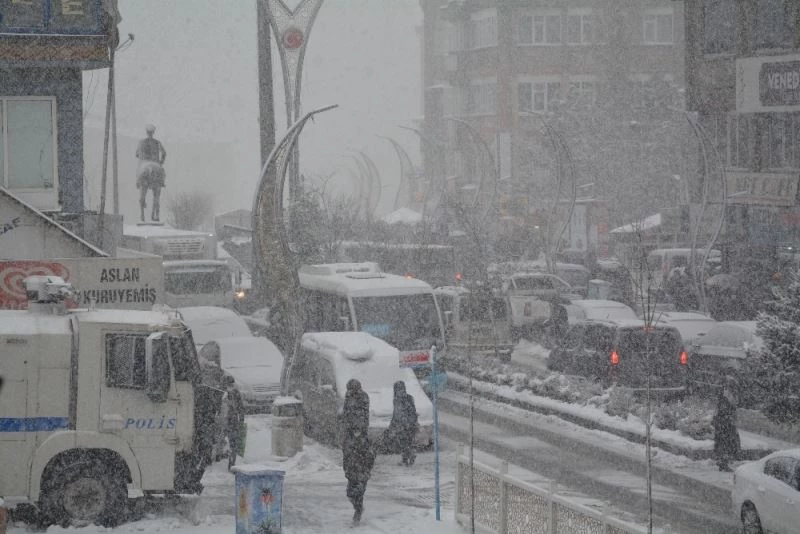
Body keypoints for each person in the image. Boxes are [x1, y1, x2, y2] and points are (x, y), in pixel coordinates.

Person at [340, 379, 375, 526]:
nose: (351, 393)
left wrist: (366, 469)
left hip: (361, 470)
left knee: (358, 491)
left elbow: (361, 416)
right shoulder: (349, 399)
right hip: (352, 469)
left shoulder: (362, 398)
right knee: (350, 492)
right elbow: (345, 456)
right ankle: (358, 508)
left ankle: (358, 512)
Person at [135, 124, 167, 222]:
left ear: (146, 132)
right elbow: (164, 153)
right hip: (156, 165)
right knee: (156, 195)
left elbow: (136, 154)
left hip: (144, 165)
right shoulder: (157, 143)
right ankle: (155, 215)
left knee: (141, 184)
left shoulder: (141, 142)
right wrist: (160, 162)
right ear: (153, 132)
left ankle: (142, 215)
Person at [385, 380, 419, 467]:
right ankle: (408, 457)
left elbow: (410, 412)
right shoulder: (399, 399)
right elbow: (396, 414)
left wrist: (408, 423)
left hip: (406, 425)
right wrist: (393, 424)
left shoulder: (404, 399)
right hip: (405, 425)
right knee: (405, 442)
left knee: (405, 442)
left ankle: (409, 457)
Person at [713, 375, 741, 471]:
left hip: (724, 423)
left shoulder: (725, 394)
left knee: (724, 443)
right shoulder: (726, 396)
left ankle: (722, 461)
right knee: (726, 443)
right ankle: (723, 462)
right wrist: (729, 421)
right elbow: (726, 410)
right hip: (725, 424)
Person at [223, 374, 245, 471]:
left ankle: (231, 463)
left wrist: (241, 419)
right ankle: (231, 463)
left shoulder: (227, 393)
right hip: (231, 420)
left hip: (229, 421)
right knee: (232, 443)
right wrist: (241, 418)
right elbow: (241, 407)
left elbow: (240, 407)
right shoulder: (233, 393)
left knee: (231, 442)